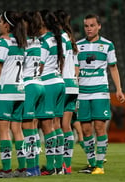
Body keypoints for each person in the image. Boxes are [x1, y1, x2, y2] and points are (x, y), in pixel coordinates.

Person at [76, 14, 125, 174]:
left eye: (92, 25)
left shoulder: (107, 45)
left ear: (99, 26)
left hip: (100, 92)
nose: (89, 29)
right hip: (82, 93)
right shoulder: (77, 45)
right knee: (86, 130)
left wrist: (118, 89)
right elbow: (75, 69)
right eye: (86, 26)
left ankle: (100, 165)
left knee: (99, 127)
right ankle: (91, 164)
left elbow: (113, 67)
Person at [0, 11, 28, 178]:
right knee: (17, 130)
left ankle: (5, 170)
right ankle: (22, 168)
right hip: (20, 90)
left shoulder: (2, 41)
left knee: (3, 130)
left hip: (6, 91)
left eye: (0, 22)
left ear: (7, 25)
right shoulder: (22, 43)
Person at [38, 9, 65, 175]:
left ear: (42, 23)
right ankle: (59, 166)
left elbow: (39, 66)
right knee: (57, 125)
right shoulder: (57, 38)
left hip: (48, 83)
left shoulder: (44, 41)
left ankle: (50, 167)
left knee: (47, 125)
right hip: (59, 82)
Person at [54, 9, 79, 174]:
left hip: (62, 83)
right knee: (66, 126)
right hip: (73, 85)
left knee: (55, 125)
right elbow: (76, 68)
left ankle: (57, 164)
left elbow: (59, 61)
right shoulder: (71, 38)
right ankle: (67, 165)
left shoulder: (60, 38)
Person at [22, 11, 45, 176]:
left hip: (29, 84)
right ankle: (35, 166)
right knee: (35, 127)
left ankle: (31, 168)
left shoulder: (26, 43)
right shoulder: (42, 42)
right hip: (41, 84)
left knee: (27, 126)